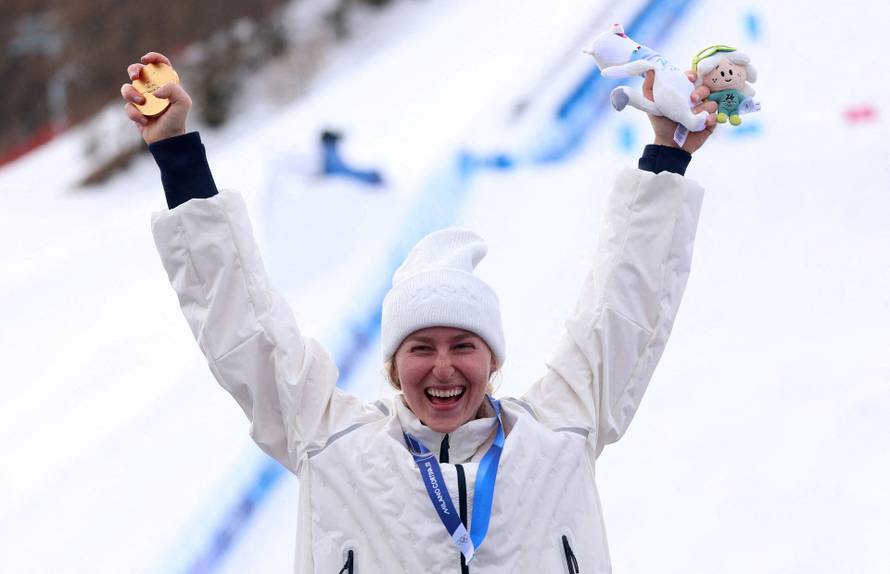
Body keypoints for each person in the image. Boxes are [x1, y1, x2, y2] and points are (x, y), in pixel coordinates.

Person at [122, 51, 717, 573]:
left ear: (492, 357)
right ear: (392, 363)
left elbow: (625, 308)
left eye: (463, 345)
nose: (443, 368)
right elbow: (243, 324)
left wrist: (667, 155)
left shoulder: (559, 435)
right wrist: (177, 153)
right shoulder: (332, 446)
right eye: (420, 347)